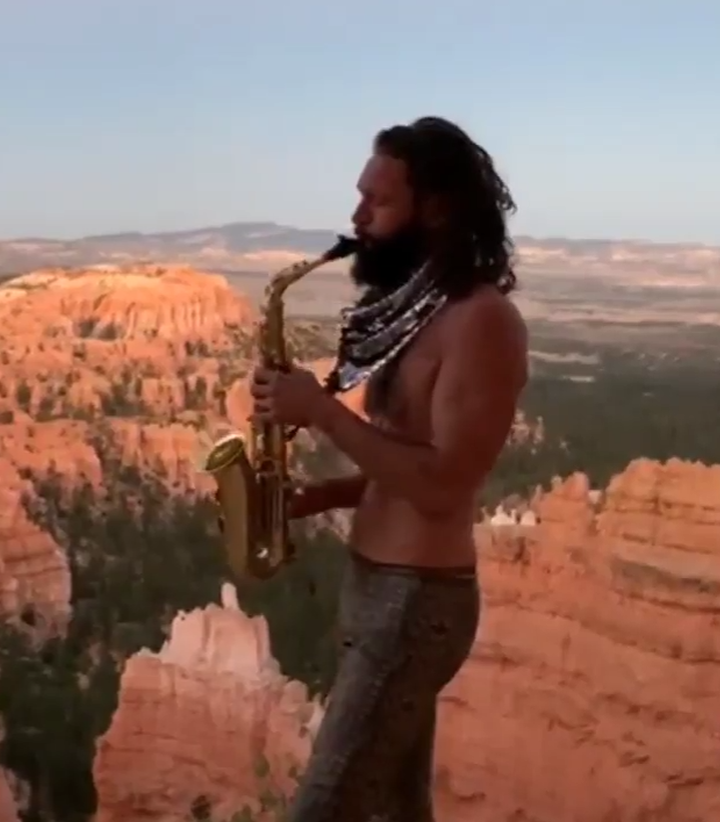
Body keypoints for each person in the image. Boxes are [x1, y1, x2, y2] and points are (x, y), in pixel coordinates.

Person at [249, 116, 529, 822]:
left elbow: (444, 485)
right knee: (396, 808)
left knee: (326, 806)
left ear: (435, 209)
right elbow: (406, 462)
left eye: (378, 202)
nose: (356, 217)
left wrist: (320, 411)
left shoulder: (483, 322)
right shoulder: (416, 313)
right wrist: (321, 496)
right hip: (377, 590)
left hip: (416, 604)